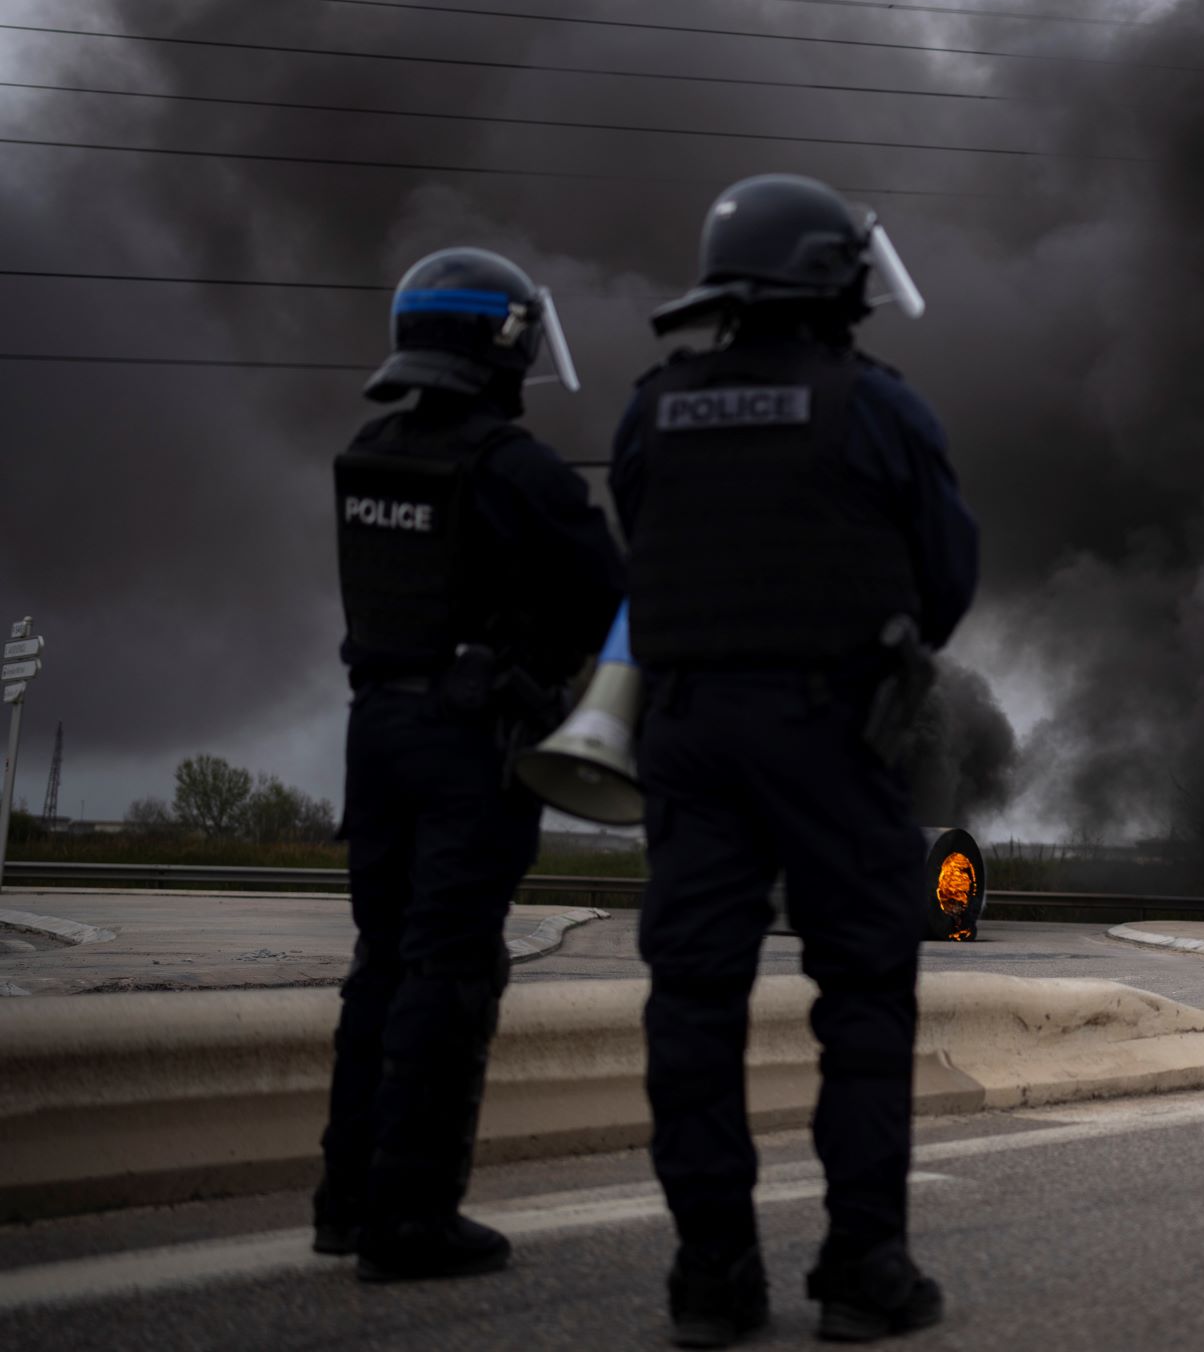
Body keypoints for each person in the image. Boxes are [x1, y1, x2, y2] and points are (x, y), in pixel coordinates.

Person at [612, 175, 978, 1346]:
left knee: (693, 1000)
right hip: (831, 732)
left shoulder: (650, 409)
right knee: (864, 997)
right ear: (835, 278)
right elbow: (946, 583)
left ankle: (711, 1281)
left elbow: (643, 539)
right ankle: (861, 1271)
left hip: (687, 735)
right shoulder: (877, 408)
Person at [317, 248, 624, 1279]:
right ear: (504, 345)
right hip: (465, 745)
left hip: (376, 734)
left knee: (383, 963)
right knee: (451, 968)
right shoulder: (518, 470)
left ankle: (346, 1200)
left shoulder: (370, 453)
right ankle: (412, 1216)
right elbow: (604, 593)